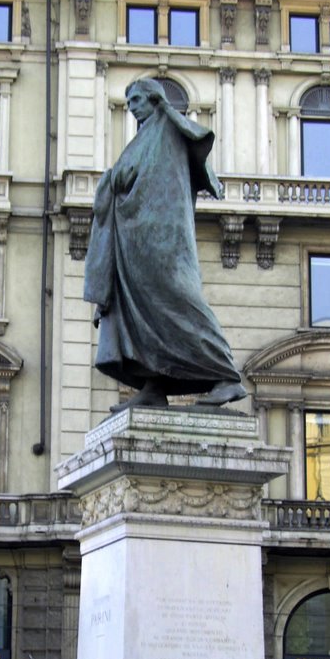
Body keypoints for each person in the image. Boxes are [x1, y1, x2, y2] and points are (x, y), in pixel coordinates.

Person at [84, 77, 247, 410]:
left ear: (154, 100)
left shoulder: (168, 129)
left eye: (136, 101)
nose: (132, 109)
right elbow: (131, 177)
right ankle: (153, 384)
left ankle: (226, 376)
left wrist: (114, 179)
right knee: (141, 312)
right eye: (128, 104)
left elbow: (156, 183)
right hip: (135, 240)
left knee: (179, 301)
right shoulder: (146, 136)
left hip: (161, 240)